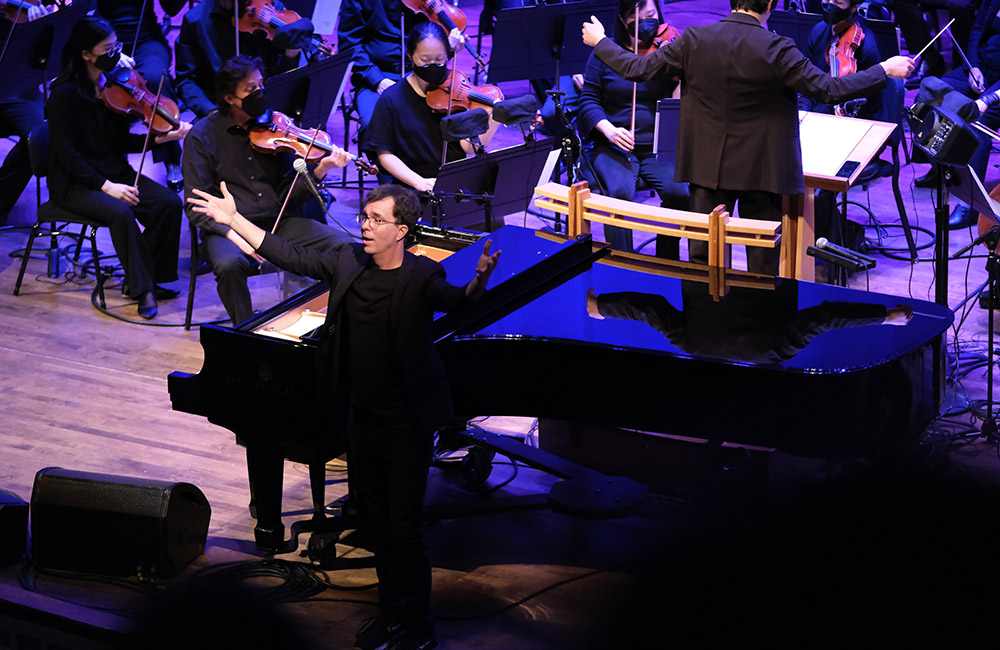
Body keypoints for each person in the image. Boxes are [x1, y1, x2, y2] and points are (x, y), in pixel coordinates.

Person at [188, 182, 500, 650]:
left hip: (405, 425)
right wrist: (233, 220)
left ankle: (417, 627)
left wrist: (478, 280)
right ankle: (391, 615)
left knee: (404, 531)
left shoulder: (421, 277)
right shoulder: (349, 260)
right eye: (365, 218)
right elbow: (289, 254)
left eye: (377, 220)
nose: (366, 226)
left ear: (402, 230)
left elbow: (458, 302)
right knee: (377, 526)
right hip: (359, 418)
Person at [581, 0, 914, 274]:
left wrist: (601, 42)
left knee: (704, 260)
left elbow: (637, 69)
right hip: (761, 171)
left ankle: (706, 330)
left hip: (707, 168)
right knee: (761, 260)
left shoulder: (695, 39)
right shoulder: (779, 48)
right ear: (769, 5)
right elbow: (829, 89)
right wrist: (884, 70)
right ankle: (760, 335)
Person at [182, 54, 353, 325]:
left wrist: (320, 170)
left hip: (277, 223)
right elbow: (195, 204)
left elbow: (288, 193)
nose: (260, 93)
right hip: (228, 229)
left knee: (344, 245)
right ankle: (246, 329)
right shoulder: (202, 136)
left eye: (261, 85)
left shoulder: (275, 127)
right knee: (229, 265)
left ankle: (330, 319)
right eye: (250, 90)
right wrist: (234, 234)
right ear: (229, 98)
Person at [48, 15, 188, 319]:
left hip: (113, 170)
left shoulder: (114, 88)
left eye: (117, 46)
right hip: (76, 183)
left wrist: (160, 139)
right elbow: (67, 153)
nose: (116, 54)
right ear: (86, 54)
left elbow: (120, 142)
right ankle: (142, 289)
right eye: (108, 49)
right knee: (121, 211)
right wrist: (106, 186)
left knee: (168, 203)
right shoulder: (63, 94)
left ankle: (152, 277)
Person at [576, 0, 688, 256]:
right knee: (619, 193)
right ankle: (621, 261)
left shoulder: (665, 52)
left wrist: (682, 77)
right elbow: (589, 99)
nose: (647, 21)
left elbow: (680, 104)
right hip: (614, 145)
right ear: (622, 19)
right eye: (638, 17)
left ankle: (666, 259)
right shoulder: (604, 52)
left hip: (657, 146)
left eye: (652, 15)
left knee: (679, 192)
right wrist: (609, 130)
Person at [366, 21, 495, 191]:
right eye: (425, 61)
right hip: (412, 190)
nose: (433, 66)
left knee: (492, 217)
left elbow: (468, 147)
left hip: (455, 186)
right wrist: (419, 182)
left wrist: (494, 114)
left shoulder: (456, 93)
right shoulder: (391, 99)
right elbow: (384, 154)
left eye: (439, 60)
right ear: (411, 56)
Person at [338, 0, 466, 148]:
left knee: (452, 120)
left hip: (423, 73)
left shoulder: (424, 3)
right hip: (376, 76)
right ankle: (384, 169)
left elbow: (435, 42)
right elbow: (350, 46)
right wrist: (378, 81)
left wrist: (446, 49)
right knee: (372, 123)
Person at [99, 0, 187, 190]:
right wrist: (108, 50)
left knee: (156, 79)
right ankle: (117, 159)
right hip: (103, 39)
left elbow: (171, 8)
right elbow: (86, 11)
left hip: (146, 39)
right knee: (112, 86)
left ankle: (171, 157)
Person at [174, 0, 313, 119]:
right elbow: (186, 80)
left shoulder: (268, 8)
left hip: (267, 108)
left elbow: (279, 76)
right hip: (220, 110)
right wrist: (210, 111)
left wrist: (290, 56)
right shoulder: (195, 21)